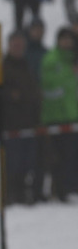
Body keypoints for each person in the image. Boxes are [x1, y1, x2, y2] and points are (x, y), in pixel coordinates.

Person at [0, 31, 42, 204]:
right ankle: (11, 193)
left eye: (21, 45)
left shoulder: (27, 66)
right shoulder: (1, 68)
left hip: (29, 122)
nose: (18, 48)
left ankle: (24, 192)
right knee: (12, 163)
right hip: (10, 125)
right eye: (15, 45)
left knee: (28, 162)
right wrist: (9, 95)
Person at [40, 28, 78, 202]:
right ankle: (60, 189)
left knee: (73, 155)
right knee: (58, 157)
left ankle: (72, 187)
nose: (67, 42)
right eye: (64, 39)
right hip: (55, 116)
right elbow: (49, 86)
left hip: (73, 114)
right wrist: (69, 73)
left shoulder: (73, 59)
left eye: (70, 39)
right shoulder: (51, 60)